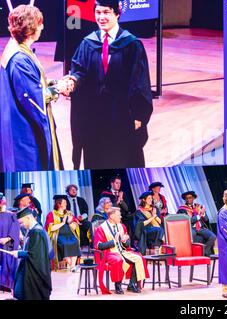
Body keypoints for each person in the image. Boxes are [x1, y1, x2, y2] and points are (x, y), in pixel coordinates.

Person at [69, 0, 153, 170]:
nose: (101, 17)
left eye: (106, 12)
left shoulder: (131, 44)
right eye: (98, 12)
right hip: (94, 118)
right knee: (96, 157)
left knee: (124, 158)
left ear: (117, 13)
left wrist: (139, 115)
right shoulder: (88, 43)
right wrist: (72, 82)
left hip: (122, 115)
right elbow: (79, 70)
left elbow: (140, 81)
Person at [0, 5, 73, 172]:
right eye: (40, 23)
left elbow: (33, 83)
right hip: (25, 130)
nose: (43, 27)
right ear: (31, 28)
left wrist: (54, 83)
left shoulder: (18, 49)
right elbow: (33, 98)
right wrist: (58, 88)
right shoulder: (19, 59)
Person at [94, 207, 149, 294]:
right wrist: (114, 242)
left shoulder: (121, 226)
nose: (121, 217)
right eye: (118, 215)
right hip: (109, 253)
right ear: (112, 216)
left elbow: (126, 245)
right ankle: (118, 285)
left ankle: (132, 284)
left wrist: (124, 241)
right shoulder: (101, 229)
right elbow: (99, 246)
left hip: (122, 251)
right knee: (118, 260)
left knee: (138, 258)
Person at [11, 207, 52, 300]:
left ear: (28, 218)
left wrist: (19, 253)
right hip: (27, 267)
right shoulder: (33, 231)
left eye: (22, 222)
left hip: (35, 272)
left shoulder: (37, 232)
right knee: (18, 293)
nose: (21, 225)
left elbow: (35, 254)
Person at [45, 195, 81, 272]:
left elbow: (75, 228)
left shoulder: (69, 214)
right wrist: (63, 222)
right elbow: (51, 228)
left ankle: (72, 266)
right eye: (64, 202)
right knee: (64, 244)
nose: (66, 204)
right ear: (59, 204)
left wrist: (70, 222)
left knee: (75, 242)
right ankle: (72, 266)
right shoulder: (51, 214)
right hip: (58, 235)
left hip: (70, 235)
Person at [177, 191, 216, 256]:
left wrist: (203, 214)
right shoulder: (182, 209)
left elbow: (206, 219)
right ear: (185, 199)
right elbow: (187, 221)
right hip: (190, 228)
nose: (188, 199)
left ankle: (204, 252)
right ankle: (189, 254)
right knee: (192, 235)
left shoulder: (199, 207)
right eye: (187, 198)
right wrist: (199, 215)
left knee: (213, 237)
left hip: (200, 228)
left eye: (190, 197)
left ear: (193, 198)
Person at [0, 193, 20, 292]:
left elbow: (15, 229)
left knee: (7, 260)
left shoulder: (11, 215)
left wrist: (7, 239)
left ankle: (7, 285)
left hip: (7, 245)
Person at [134, 191, 164, 255]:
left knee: (162, 229)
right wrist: (152, 217)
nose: (151, 200)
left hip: (157, 229)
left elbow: (161, 222)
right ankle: (157, 250)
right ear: (144, 200)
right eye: (149, 198)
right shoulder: (139, 211)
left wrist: (155, 216)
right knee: (159, 230)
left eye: (151, 198)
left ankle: (160, 250)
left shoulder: (154, 209)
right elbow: (141, 224)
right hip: (147, 230)